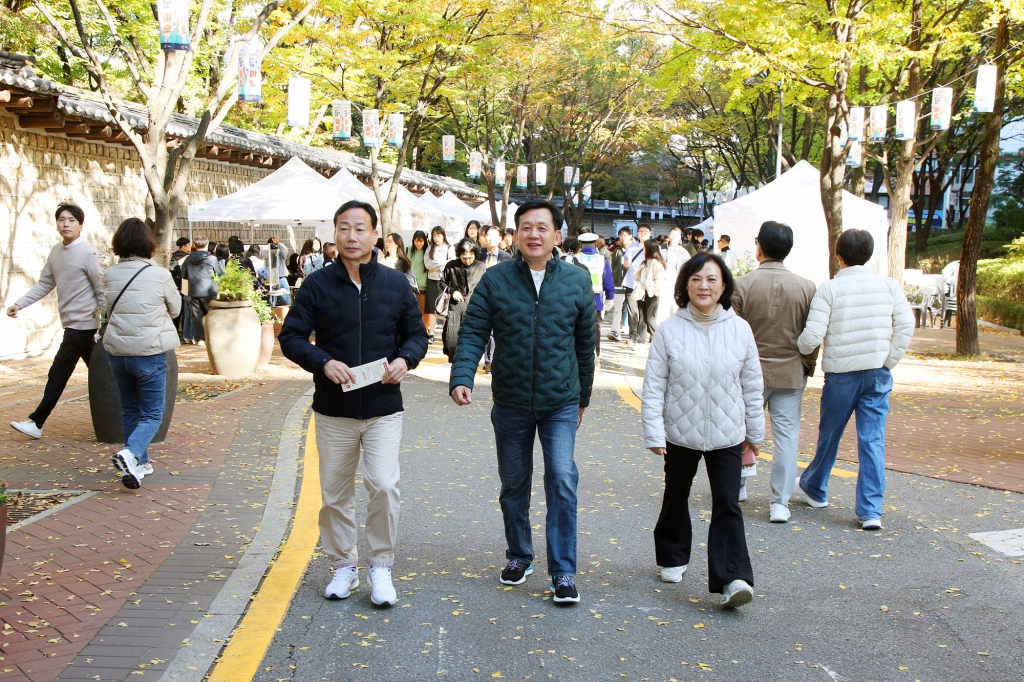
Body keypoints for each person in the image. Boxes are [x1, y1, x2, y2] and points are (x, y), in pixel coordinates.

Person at [279, 200, 428, 606]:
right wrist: (322, 361)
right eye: (344, 228)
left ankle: (381, 567)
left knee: (383, 485)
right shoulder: (316, 285)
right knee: (334, 494)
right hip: (333, 409)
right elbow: (290, 337)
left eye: (360, 228)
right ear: (335, 233)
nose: (351, 236)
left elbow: (417, 335)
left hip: (383, 406)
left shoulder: (396, 285)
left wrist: (405, 359)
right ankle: (343, 566)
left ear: (375, 234)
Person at [450, 199, 596, 605]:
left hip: (560, 401)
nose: (534, 234)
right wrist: (462, 376)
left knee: (563, 480)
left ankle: (563, 572)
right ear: (515, 235)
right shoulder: (496, 280)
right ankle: (519, 555)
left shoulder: (575, 281)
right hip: (511, 400)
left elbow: (586, 345)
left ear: (557, 236)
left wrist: (583, 396)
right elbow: (474, 331)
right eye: (526, 227)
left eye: (542, 227)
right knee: (514, 483)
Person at [641, 252, 763, 608]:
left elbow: (752, 386)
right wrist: (654, 432)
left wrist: (754, 434)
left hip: (728, 433)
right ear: (685, 286)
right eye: (696, 279)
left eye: (711, 279)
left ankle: (733, 578)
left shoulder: (740, 329)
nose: (703, 286)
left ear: (724, 285)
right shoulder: (670, 330)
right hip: (680, 431)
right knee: (676, 494)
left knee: (728, 504)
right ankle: (672, 555)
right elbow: (654, 386)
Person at [794, 229, 914, 531]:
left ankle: (816, 487)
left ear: (839, 255)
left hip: (841, 375)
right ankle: (871, 510)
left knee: (830, 435)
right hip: (877, 372)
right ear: (869, 254)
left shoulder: (830, 289)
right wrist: (890, 359)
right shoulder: (888, 286)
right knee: (872, 440)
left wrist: (800, 347)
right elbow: (906, 323)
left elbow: (813, 336)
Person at [732, 221, 818, 520]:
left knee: (739, 430)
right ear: (788, 250)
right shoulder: (807, 288)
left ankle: (738, 485)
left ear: (759, 248)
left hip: (749, 373)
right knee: (788, 437)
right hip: (791, 372)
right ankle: (779, 502)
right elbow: (812, 334)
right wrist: (807, 365)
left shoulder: (742, 285)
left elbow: (732, 334)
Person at [7, 203, 106, 439]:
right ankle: (132, 412)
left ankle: (36, 422)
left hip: (82, 324)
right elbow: (44, 284)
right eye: (62, 220)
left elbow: (102, 289)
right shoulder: (56, 251)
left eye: (71, 220)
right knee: (104, 373)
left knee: (58, 372)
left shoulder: (89, 253)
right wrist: (19, 303)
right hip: (72, 323)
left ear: (81, 225)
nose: (66, 224)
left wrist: (105, 322)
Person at [101, 218, 180, 490]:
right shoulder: (159, 274)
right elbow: (177, 308)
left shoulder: (110, 275)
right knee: (152, 414)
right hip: (149, 351)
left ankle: (140, 464)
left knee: (130, 410)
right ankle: (130, 452)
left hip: (118, 352)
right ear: (149, 244)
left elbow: (106, 307)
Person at [441, 239, 487, 362]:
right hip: (455, 308)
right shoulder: (451, 266)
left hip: (474, 308)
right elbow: (442, 283)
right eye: (464, 257)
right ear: (459, 254)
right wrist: (452, 291)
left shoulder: (481, 267)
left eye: (470, 257)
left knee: (472, 339)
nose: (467, 260)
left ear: (475, 254)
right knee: (452, 340)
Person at [181, 236, 224, 347]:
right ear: (207, 244)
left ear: (194, 245)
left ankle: (201, 339)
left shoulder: (188, 258)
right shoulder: (212, 259)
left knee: (197, 317)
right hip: (209, 290)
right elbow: (219, 272)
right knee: (212, 315)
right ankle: (213, 336)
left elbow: (184, 275)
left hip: (194, 291)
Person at [578, 232, 615, 357]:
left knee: (578, 325)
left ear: (581, 244)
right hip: (596, 300)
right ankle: (595, 351)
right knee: (596, 326)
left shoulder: (575, 258)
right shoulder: (601, 259)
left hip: (578, 298)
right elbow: (608, 280)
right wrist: (610, 297)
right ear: (595, 244)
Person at [621, 224, 652, 347]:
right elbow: (625, 261)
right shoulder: (632, 246)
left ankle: (641, 336)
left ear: (650, 233)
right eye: (640, 231)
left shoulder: (653, 247)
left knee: (643, 311)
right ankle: (633, 334)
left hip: (645, 285)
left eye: (645, 231)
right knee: (632, 310)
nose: (642, 233)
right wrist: (626, 264)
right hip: (631, 283)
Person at [423, 226, 453, 344]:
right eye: (434, 236)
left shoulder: (449, 248)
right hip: (432, 280)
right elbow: (427, 264)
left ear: (443, 235)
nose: (436, 238)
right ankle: (431, 333)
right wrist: (440, 265)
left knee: (445, 308)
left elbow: (450, 263)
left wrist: (436, 265)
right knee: (432, 309)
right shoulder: (430, 248)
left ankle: (447, 333)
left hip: (445, 281)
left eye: (438, 235)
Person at [633, 238, 665, 346]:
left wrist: (655, 292)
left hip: (651, 293)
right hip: (642, 292)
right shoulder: (645, 262)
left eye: (645, 247)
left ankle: (661, 339)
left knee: (649, 318)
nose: (643, 249)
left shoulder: (656, 263)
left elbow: (659, 280)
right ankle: (640, 341)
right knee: (642, 316)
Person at [607, 226, 635, 342]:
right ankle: (615, 330)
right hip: (619, 282)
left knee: (632, 309)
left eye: (625, 235)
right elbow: (614, 267)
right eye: (620, 235)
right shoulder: (617, 251)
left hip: (632, 283)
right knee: (617, 307)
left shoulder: (635, 249)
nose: (622, 238)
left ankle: (634, 332)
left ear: (630, 236)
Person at [169, 237, 193, 341]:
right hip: (184, 287)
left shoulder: (173, 256)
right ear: (183, 246)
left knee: (176, 312)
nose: (189, 247)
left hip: (174, 287)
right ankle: (184, 334)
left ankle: (174, 333)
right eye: (188, 245)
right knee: (185, 312)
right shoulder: (186, 258)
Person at [408, 230, 429, 325]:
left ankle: (426, 329)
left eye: (421, 241)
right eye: (416, 241)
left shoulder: (428, 251)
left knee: (424, 309)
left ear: (425, 241)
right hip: (411, 286)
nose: (418, 243)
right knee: (412, 309)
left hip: (423, 286)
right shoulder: (408, 250)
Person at [268, 235, 291, 306]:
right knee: (271, 302)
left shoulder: (280, 252)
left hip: (282, 278)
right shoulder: (267, 253)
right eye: (272, 244)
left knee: (286, 300)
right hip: (272, 279)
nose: (273, 246)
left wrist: (279, 244)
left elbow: (285, 250)